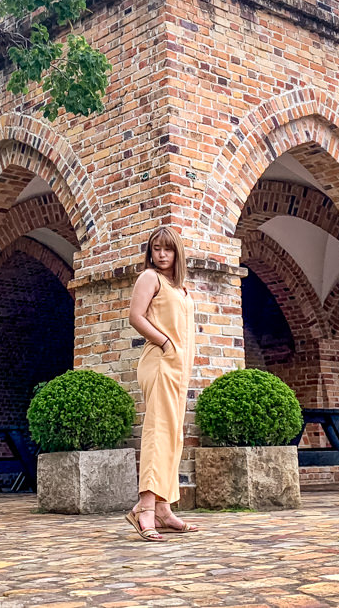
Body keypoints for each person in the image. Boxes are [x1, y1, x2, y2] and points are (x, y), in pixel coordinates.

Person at [124, 226, 200, 541]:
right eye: (156, 248)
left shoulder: (181, 288)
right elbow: (136, 316)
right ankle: (144, 508)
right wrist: (166, 343)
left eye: (168, 249)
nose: (162, 254)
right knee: (158, 432)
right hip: (159, 362)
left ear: (177, 252)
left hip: (178, 368)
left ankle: (163, 508)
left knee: (173, 436)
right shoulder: (149, 278)